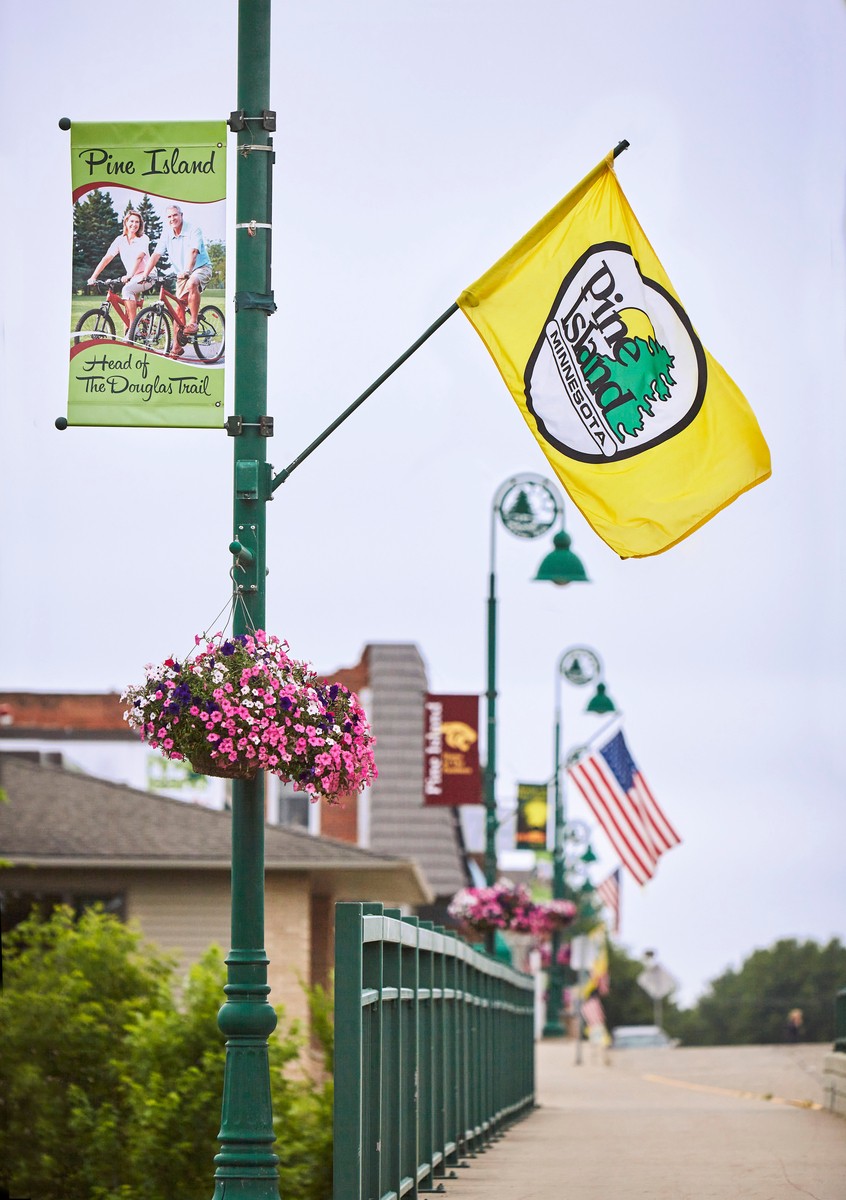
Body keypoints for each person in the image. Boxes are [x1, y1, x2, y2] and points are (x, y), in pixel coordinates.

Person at [145, 205, 213, 354]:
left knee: (192, 282)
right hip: (182, 274)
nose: (172, 219)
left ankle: (193, 322)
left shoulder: (193, 230)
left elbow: (194, 252)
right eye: (169, 217)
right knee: (178, 309)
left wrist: (188, 270)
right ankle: (176, 347)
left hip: (201, 268)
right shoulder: (166, 234)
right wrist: (145, 274)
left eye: (175, 215)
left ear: (181, 215)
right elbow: (156, 255)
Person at [87, 209, 153, 325]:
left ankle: (134, 328)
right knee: (127, 311)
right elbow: (107, 258)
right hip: (132, 277)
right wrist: (94, 276)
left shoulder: (143, 238)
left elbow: (139, 257)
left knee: (126, 290)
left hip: (147, 275)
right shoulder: (120, 240)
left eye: (137, 222)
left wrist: (130, 275)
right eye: (131, 221)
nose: (134, 224)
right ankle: (131, 331)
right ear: (126, 222)